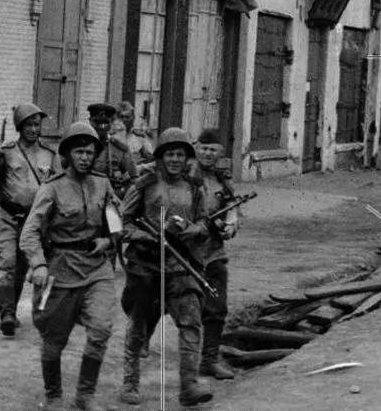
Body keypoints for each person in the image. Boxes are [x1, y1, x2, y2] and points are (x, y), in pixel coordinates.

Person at [19, 122, 121, 411]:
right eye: (79, 152)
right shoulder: (51, 189)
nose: (86, 157)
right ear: (67, 155)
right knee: (54, 339)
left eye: (90, 152)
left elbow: (116, 218)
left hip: (96, 268)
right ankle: (53, 395)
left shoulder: (102, 183)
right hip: (60, 269)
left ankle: (85, 395)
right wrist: (38, 264)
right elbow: (30, 232)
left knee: (101, 329)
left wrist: (109, 240)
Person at [119, 127, 213, 408]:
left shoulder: (195, 188)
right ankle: (130, 383)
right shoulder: (146, 183)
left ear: (187, 159)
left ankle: (189, 385)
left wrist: (190, 230)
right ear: (160, 156)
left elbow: (205, 224)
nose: (175, 159)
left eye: (180, 155)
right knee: (139, 324)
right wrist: (147, 236)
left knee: (191, 323)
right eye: (170, 154)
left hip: (182, 265)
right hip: (146, 266)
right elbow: (122, 224)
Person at [0, 103, 56, 337]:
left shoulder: (49, 154)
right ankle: (7, 315)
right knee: (8, 262)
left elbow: (59, 183)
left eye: (37, 124)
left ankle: (16, 311)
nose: (33, 129)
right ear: (20, 127)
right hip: (7, 217)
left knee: (23, 267)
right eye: (29, 125)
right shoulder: (7, 151)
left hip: (34, 221)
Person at [188, 128, 239, 381]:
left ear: (220, 153)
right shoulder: (183, 174)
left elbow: (231, 206)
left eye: (213, 150)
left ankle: (208, 360)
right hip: (185, 253)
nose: (208, 154)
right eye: (204, 148)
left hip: (214, 252)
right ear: (196, 148)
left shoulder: (222, 179)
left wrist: (231, 223)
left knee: (216, 307)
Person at [87, 102, 137, 200]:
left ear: (111, 123)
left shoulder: (119, 149)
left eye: (105, 123)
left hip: (110, 202)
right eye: (97, 122)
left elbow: (133, 180)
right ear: (90, 121)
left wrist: (120, 195)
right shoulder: (80, 146)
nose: (101, 127)